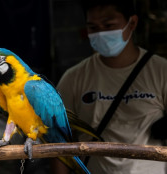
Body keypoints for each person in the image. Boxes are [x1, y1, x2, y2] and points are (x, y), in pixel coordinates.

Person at [56, 0, 167, 173]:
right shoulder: (73, 78)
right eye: (93, 28)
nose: (101, 33)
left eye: (109, 25)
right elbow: (58, 143)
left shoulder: (161, 72)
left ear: (132, 23)